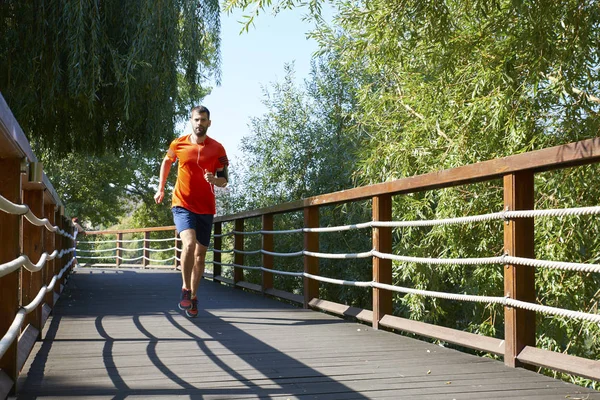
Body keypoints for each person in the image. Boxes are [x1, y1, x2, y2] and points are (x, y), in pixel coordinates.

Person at [154, 105, 228, 318]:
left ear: (209, 123)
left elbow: (224, 180)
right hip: (182, 203)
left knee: (200, 255)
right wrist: (161, 188)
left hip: (206, 208)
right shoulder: (178, 144)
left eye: (203, 120)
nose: (199, 123)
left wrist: (215, 180)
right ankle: (185, 289)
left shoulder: (218, 149)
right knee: (188, 243)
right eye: (196, 119)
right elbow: (167, 161)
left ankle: (194, 297)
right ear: (191, 121)